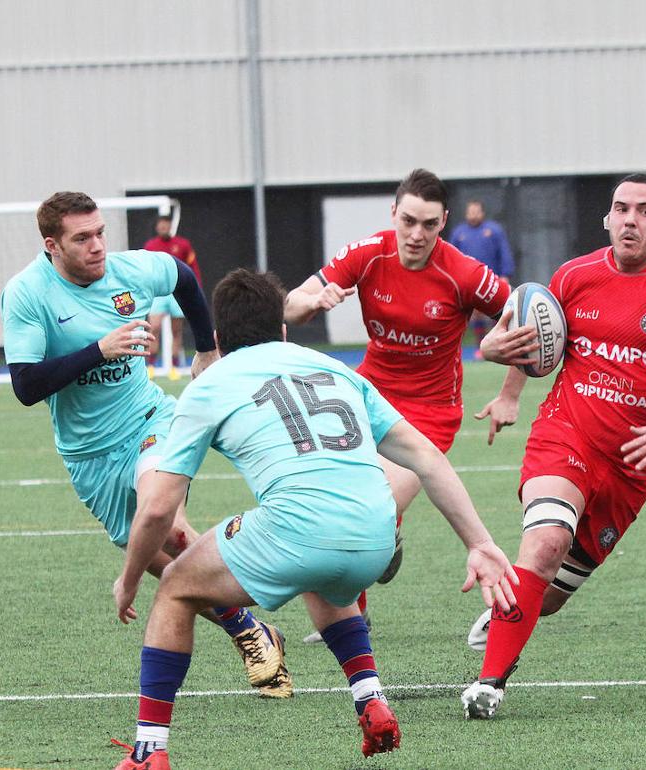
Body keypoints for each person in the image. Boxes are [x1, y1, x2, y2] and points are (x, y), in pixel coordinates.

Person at [110, 269, 518, 768]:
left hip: (300, 530)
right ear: (283, 331)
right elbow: (427, 457)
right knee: (323, 572)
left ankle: (149, 750)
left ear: (217, 339)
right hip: (376, 533)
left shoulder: (210, 383)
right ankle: (370, 697)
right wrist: (478, 542)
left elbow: (156, 508)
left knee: (175, 587)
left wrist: (130, 578)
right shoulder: (338, 370)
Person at [461, 173, 646, 719]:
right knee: (545, 545)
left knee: (546, 598)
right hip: (564, 436)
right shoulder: (574, 276)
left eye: (644, 211)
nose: (629, 220)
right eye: (620, 209)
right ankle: (490, 684)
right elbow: (527, 341)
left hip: (632, 468)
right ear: (607, 218)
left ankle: (515, 606)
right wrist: (500, 370)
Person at [0, 192, 290, 700]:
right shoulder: (26, 294)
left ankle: (250, 621)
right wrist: (99, 350)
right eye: (82, 238)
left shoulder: (129, 271)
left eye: (100, 233)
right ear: (52, 245)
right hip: (89, 455)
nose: (97, 247)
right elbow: (26, 386)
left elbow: (182, 276)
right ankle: (250, 628)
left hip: (151, 420)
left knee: (166, 521)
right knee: (158, 554)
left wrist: (207, 349)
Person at [285, 170, 510, 640]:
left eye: (429, 224)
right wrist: (313, 302)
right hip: (365, 396)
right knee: (331, 496)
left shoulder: (463, 273)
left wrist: (509, 394)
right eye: (408, 220)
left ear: (444, 222)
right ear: (393, 214)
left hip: (430, 412)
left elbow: (528, 317)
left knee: (373, 506)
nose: (416, 234)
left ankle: (382, 541)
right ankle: (356, 610)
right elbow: (288, 304)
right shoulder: (368, 254)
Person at [449, 200, 516, 350]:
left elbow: (504, 253)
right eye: (470, 212)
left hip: (492, 280)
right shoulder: (459, 233)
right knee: (476, 314)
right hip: (468, 282)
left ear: (482, 213)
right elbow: (450, 257)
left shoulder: (494, 230)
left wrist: (505, 274)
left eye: (476, 211)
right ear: (466, 214)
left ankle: (500, 344)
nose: (473, 215)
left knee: (497, 310)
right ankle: (480, 346)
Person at [144, 215, 201, 375]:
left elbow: (193, 267)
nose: (164, 228)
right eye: (161, 226)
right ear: (157, 228)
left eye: (167, 226)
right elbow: (146, 269)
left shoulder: (182, 245)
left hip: (177, 291)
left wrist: (195, 288)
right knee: (153, 328)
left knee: (176, 331)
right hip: (158, 293)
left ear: (170, 227)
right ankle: (151, 366)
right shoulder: (150, 246)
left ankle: (175, 367)